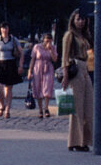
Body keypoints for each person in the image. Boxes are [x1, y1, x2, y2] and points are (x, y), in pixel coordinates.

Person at [61, 8, 93, 151]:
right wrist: (65, 75)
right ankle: (75, 142)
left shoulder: (85, 36)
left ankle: (85, 140)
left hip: (86, 69)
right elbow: (65, 56)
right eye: (78, 19)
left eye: (83, 19)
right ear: (73, 20)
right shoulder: (69, 35)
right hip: (75, 69)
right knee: (77, 108)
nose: (80, 22)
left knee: (88, 107)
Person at [0, 22, 23, 118]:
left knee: (8, 88)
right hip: (0, 64)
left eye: (6, 28)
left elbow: (21, 53)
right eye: (3, 28)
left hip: (10, 64)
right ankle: (2, 104)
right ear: (0, 29)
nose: (4, 30)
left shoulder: (14, 40)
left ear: (8, 29)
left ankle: (8, 109)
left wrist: (20, 66)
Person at [28, 32, 58, 117]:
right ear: (43, 39)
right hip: (38, 67)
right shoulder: (37, 47)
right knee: (38, 88)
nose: (48, 42)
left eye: (50, 40)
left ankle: (46, 108)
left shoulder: (53, 47)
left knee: (47, 87)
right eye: (46, 40)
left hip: (48, 68)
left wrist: (51, 50)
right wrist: (30, 70)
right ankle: (40, 109)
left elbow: (55, 59)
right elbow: (33, 59)